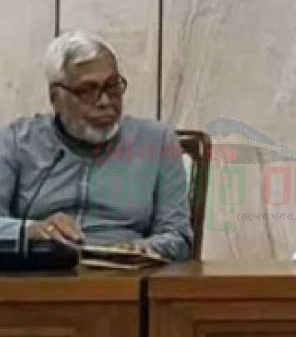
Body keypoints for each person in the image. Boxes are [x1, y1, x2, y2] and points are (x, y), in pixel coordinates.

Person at [0, 31, 192, 261]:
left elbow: (178, 236)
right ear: (56, 98)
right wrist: (29, 230)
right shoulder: (16, 141)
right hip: (39, 272)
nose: (105, 101)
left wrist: (138, 249)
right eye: (87, 91)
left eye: (112, 87)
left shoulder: (157, 141)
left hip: (124, 274)